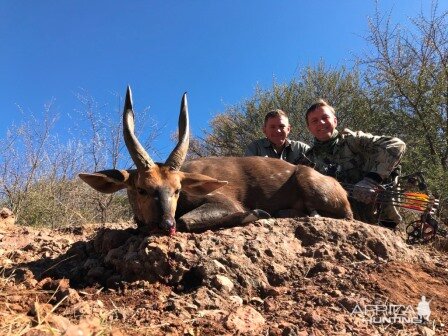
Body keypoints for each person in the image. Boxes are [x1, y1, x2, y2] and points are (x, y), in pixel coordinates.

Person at [304, 99, 406, 228]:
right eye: (315, 121)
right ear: (309, 128)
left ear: (335, 121)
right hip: (339, 222)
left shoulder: (353, 140)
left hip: (379, 220)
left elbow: (397, 144)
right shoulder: (309, 158)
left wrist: (371, 180)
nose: (321, 123)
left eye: (325, 117)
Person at [245, 109, 310, 164]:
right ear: (264, 130)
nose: (278, 131)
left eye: (281, 126)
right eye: (272, 127)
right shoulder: (255, 148)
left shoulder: (302, 149)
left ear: (288, 129)